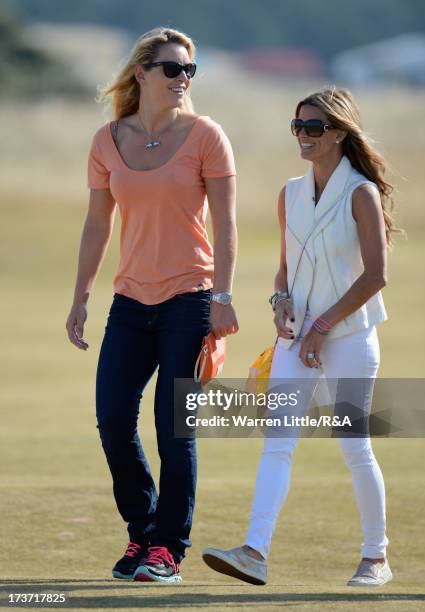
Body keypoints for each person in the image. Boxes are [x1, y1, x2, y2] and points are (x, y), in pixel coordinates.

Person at [202, 87, 400, 587]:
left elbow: (375, 276)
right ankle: (254, 552)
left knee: (355, 447)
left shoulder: (361, 193)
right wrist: (280, 303)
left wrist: (322, 326)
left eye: (313, 128)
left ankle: (376, 558)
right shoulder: (289, 192)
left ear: (338, 133)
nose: (304, 137)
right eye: (298, 127)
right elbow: (285, 270)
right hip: (296, 339)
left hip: (350, 337)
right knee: (277, 443)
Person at [65, 27, 238, 584]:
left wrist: (223, 297)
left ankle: (168, 550)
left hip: (191, 299)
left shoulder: (207, 135)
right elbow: (97, 224)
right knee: (113, 418)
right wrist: (80, 297)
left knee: (173, 430)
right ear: (142, 73)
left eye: (190, 70)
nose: (182, 78)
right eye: (172, 69)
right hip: (130, 301)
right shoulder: (107, 139)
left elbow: (228, 226)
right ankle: (142, 533)